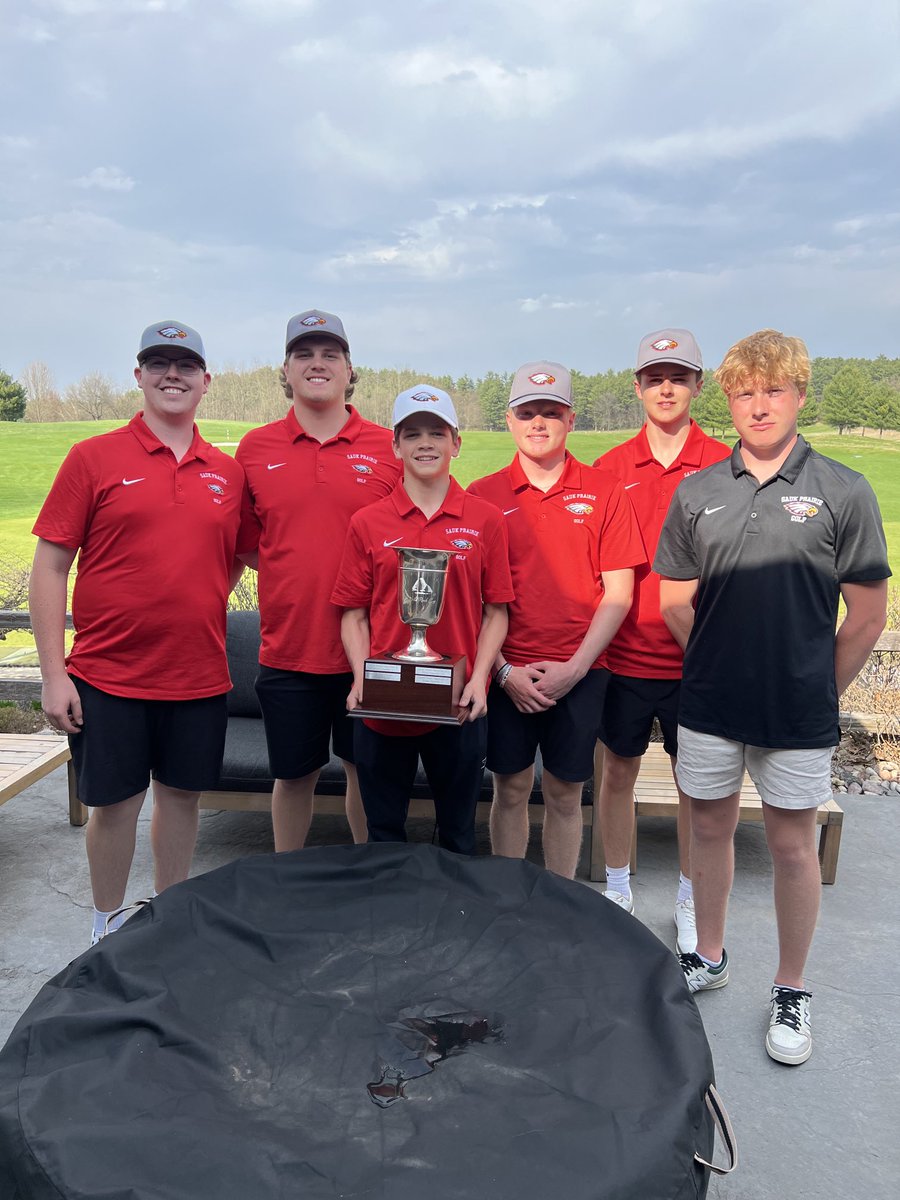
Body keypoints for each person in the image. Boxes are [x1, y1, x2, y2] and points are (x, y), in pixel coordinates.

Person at [655, 328, 890, 1065]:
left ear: (799, 395)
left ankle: (791, 988)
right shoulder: (698, 492)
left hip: (796, 712)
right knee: (711, 832)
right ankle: (712, 955)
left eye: (774, 390)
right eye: (746, 392)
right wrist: (722, 664)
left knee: (792, 848)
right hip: (712, 704)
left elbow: (869, 613)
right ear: (728, 399)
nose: (760, 405)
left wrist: (818, 686)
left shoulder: (843, 490)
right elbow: (673, 601)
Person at [30, 321, 245, 945]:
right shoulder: (94, 457)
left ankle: (168, 921)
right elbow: (50, 564)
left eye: (185, 365)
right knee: (115, 806)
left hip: (198, 673)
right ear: (139, 375)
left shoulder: (226, 475)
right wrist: (53, 673)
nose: (171, 374)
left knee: (180, 800)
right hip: (107, 674)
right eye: (158, 363)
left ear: (206, 381)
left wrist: (203, 592)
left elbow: (236, 555)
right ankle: (105, 926)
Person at [469, 362, 645, 878]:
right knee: (511, 788)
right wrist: (501, 671)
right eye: (528, 412)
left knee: (567, 793)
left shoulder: (605, 490)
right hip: (508, 675)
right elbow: (472, 600)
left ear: (570, 419)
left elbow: (618, 592)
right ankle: (508, 895)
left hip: (583, 672)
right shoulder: (481, 495)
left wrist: (575, 667)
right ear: (510, 420)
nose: (539, 423)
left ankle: (558, 902)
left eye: (551, 412)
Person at [235, 310, 401, 852]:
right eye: (304, 354)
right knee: (294, 776)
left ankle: (366, 877)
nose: (317, 364)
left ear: (351, 369)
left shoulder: (389, 446)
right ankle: (289, 883)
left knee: (364, 771)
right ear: (284, 369)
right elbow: (250, 546)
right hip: (288, 650)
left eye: (331, 354)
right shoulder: (256, 448)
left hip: (375, 652)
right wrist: (300, 565)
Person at [332, 385, 512, 853]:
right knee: (383, 835)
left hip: (458, 704)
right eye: (412, 434)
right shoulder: (368, 522)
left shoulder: (485, 519)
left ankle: (452, 921)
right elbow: (353, 614)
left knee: (457, 835)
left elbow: (496, 612)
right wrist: (360, 680)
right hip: (385, 703)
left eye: (437, 432)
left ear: (457, 442)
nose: (425, 443)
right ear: (396, 446)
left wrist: (478, 681)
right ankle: (384, 919)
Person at [594, 329, 730, 943]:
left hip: (695, 660)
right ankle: (617, 887)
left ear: (698, 386)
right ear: (638, 386)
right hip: (622, 656)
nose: (667, 387)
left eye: (679, 376)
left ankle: (688, 895)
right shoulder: (610, 468)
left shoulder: (728, 465)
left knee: (693, 787)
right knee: (616, 774)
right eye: (655, 377)